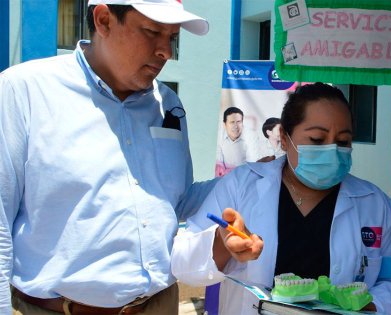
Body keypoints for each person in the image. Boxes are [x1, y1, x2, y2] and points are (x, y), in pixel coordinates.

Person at [0, 1, 263, 314]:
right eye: (152, 33)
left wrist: (252, 175)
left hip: (159, 304)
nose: (166, 51)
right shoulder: (24, 91)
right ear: (104, 20)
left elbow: (176, 199)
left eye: (173, 38)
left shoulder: (168, 104)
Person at [172, 83, 391, 314]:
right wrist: (221, 242)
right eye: (317, 140)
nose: (332, 150)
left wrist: (370, 306)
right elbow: (183, 264)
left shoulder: (374, 204)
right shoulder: (241, 185)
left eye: (343, 141)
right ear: (284, 136)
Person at [215, 106, 253, 176]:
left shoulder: (250, 138)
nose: (236, 126)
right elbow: (218, 168)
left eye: (239, 122)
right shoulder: (218, 138)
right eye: (232, 122)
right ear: (225, 124)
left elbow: (252, 166)